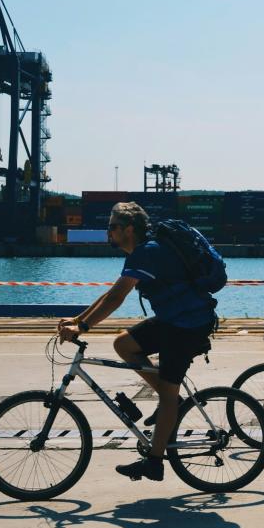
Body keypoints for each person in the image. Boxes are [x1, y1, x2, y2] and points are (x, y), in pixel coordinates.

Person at [57, 202, 218, 482]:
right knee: (124, 345)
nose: (108, 232)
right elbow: (113, 293)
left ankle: (154, 462)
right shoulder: (142, 253)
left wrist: (82, 326)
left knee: (166, 394)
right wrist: (77, 319)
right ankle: (175, 403)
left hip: (188, 325)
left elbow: (116, 298)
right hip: (174, 320)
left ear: (128, 230)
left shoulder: (148, 253)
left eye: (112, 227)